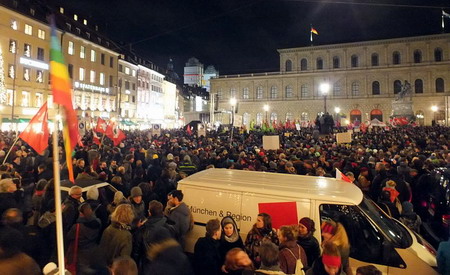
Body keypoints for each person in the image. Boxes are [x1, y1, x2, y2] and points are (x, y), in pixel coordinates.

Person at [66, 202, 102, 274]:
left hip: (80, 255)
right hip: (94, 252)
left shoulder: (77, 227)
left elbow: (68, 237)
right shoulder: (98, 222)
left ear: (81, 214)